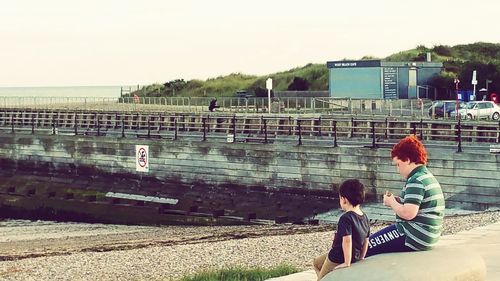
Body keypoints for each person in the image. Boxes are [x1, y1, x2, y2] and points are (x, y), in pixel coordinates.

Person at [365, 135, 444, 257]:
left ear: (407, 160)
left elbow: (408, 214)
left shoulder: (416, 180)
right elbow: (416, 206)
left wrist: (392, 202)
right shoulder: (426, 176)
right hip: (427, 235)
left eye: (398, 164)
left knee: (366, 246)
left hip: (414, 235)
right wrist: (397, 200)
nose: (398, 170)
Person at [313, 179, 370, 281]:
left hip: (337, 257)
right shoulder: (364, 217)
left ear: (344, 200)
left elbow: (347, 240)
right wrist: (361, 257)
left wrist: (347, 262)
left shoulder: (346, 218)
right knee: (316, 263)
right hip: (352, 256)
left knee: (321, 278)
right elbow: (366, 240)